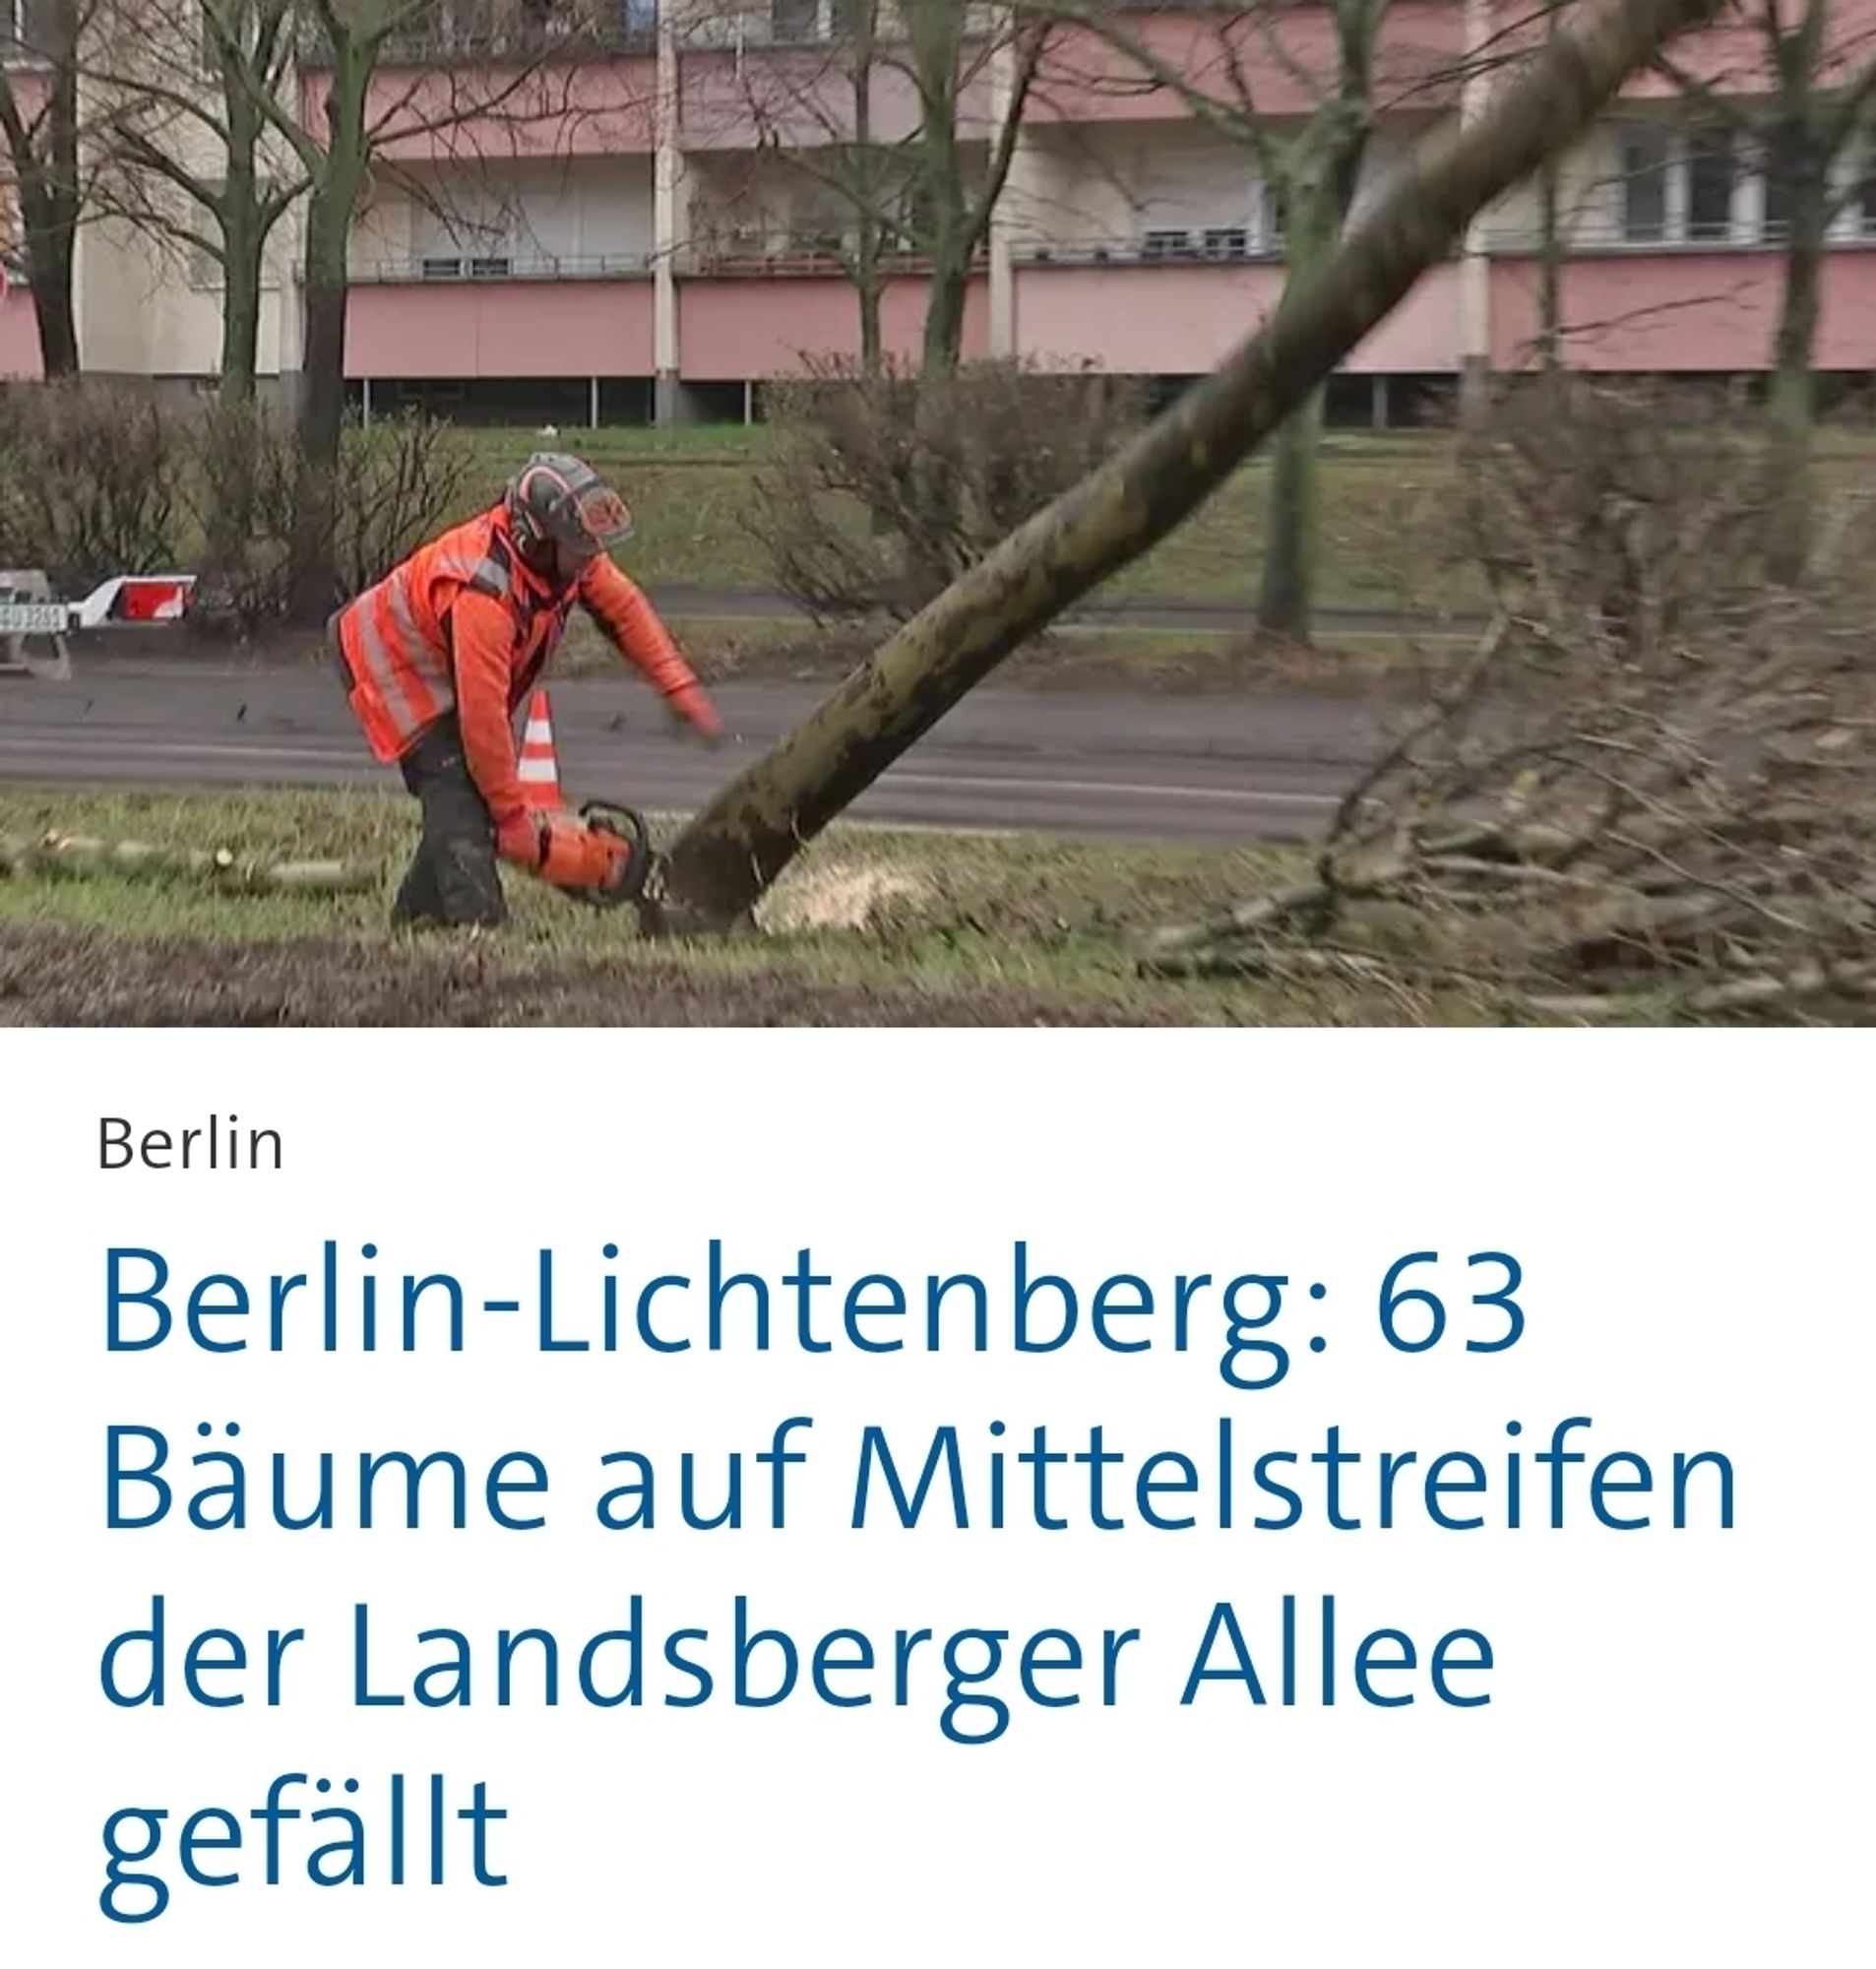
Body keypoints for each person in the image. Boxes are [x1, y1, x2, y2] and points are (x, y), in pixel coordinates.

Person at [332, 451, 722, 927]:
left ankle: (417, 918)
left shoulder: (569, 559)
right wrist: (513, 818)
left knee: (463, 799)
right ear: (537, 537)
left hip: (439, 663)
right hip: (393, 664)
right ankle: (479, 927)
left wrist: (677, 686)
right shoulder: (483, 593)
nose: (591, 559)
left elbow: (624, 609)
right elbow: (483, 719)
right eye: (580, 547)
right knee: (458, 790)